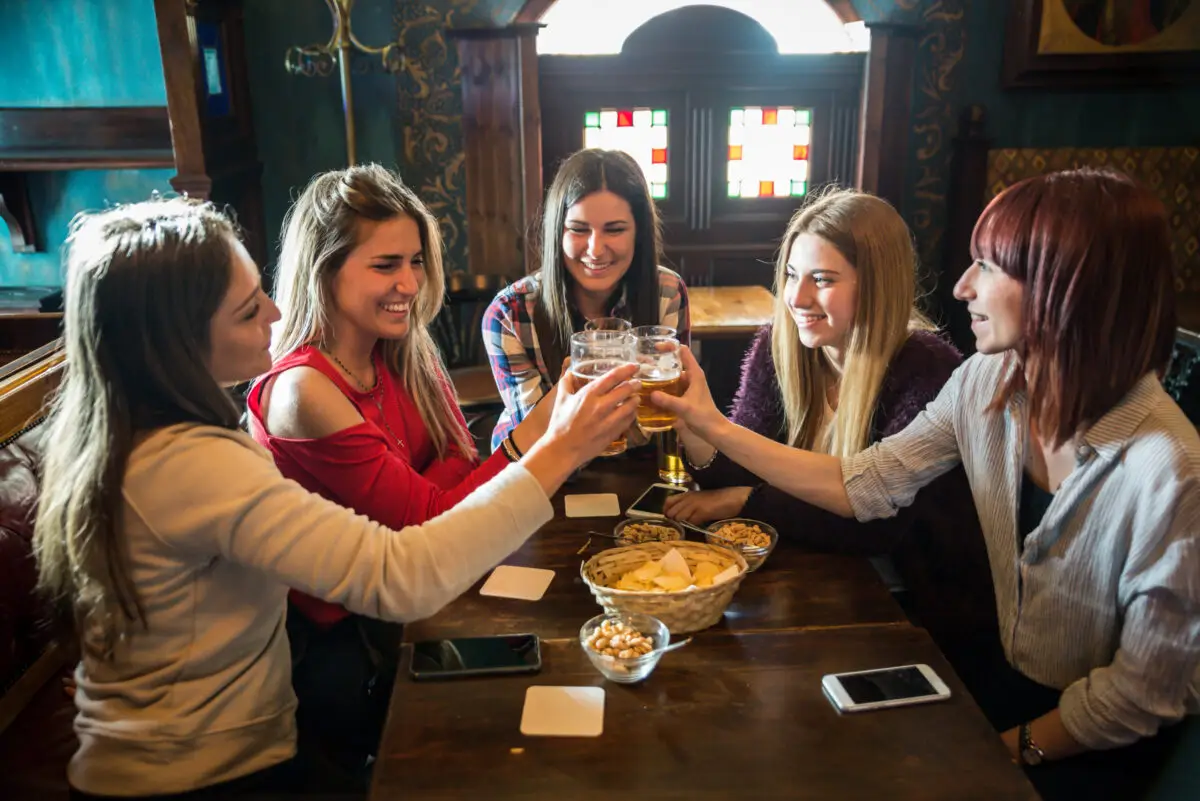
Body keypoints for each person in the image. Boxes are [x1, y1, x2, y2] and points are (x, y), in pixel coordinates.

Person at [33, 198, 639, 800]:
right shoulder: (190, 464)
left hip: (201, 756)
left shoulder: (141, 432)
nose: (275, 311)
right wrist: (560, 447)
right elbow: (403, 573)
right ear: (174, 339)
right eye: (248, 309)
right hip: (199, 776)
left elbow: (451, 480)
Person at [653, 168, 1199, 800]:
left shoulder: (1171, 469)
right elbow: (866, 484)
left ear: (1070, 289)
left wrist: (1006, 750)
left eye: (989, 267)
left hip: (1097, 748)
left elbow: (1139, 697)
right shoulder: (984, 383)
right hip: (992, 679)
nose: (963, 286)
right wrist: (709, 425)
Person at [246, 165, 564, 772]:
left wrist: (428, 502)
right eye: (386, 264)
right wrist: (552, 430)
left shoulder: (398, 349)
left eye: (416, 261)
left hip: (414, 608)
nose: (410, 283)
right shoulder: (303, 390)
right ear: (326, 268)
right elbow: (433, 525)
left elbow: (456, 467)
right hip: (339, 655)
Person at [661, 190, 984, 621]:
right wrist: (690, 425)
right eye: (793, 275)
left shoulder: (927, 367)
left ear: (877, 284)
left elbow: (876, 528)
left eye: (823, 279)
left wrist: (747, 500)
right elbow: (738, 468)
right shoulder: (780, 346)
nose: (797, 298)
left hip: (905, 603)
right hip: (807, 570)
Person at [483, 148, 690, 452]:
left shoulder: (667, 291)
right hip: (539, 469)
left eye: (615, 230)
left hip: (637, 465)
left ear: (639, 233)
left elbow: (671, 413)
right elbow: (535, 438)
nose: (595, 250)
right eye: (578, 229)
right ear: (558, 232)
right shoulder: (508, 313)